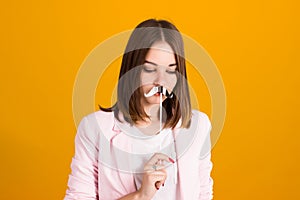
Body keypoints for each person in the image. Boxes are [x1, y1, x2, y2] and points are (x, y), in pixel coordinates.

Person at [64, 19, 213, 200]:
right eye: (150, 69)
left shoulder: (198, 126)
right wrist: (141, 195)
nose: (161, 81)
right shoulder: (94, 128)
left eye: (171, 70)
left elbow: (203, 194)